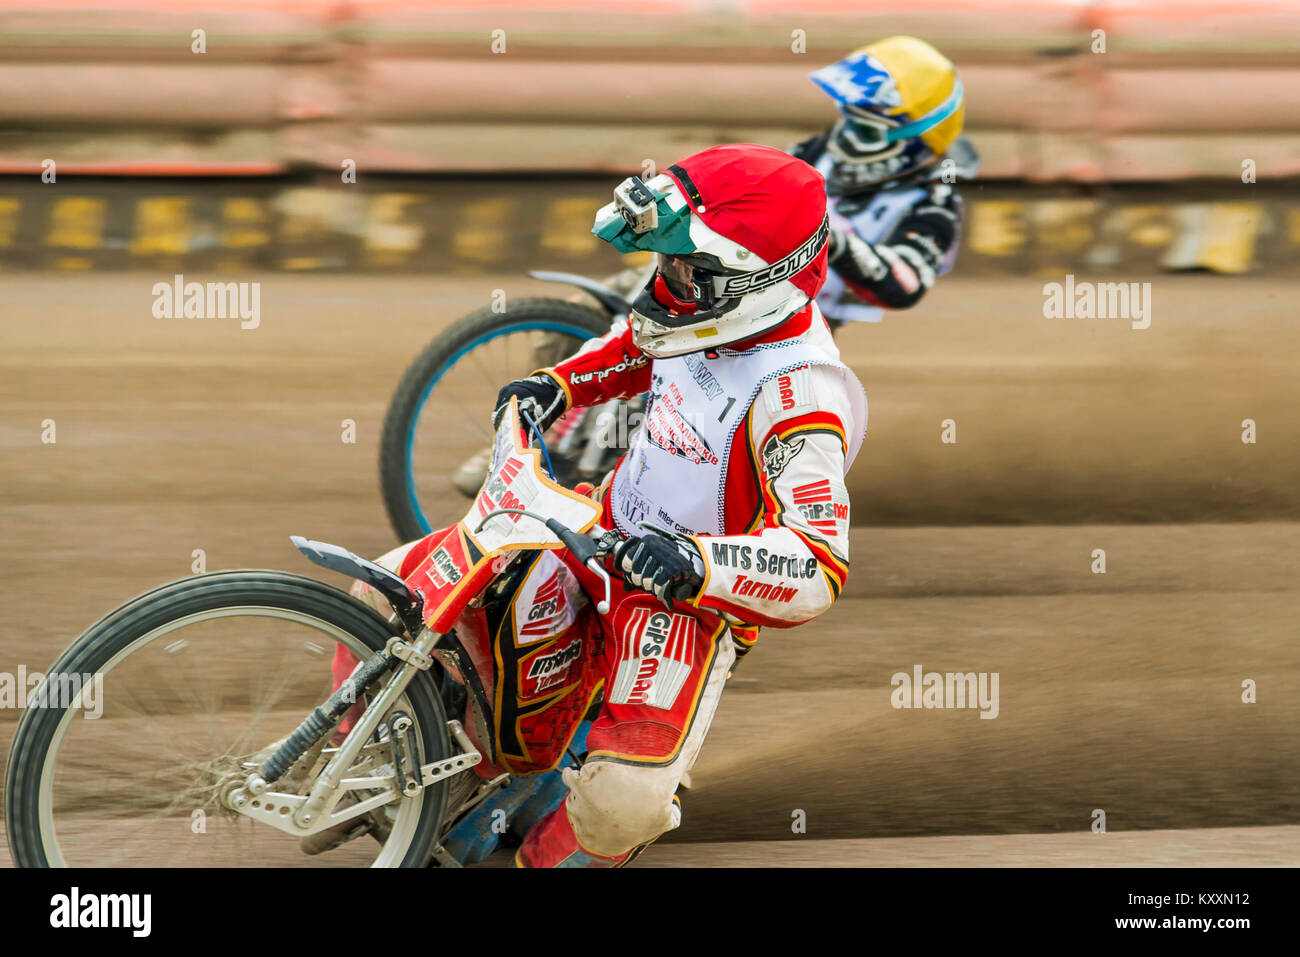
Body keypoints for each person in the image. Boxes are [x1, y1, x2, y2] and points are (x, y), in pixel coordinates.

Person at [485, 142, 866, 865]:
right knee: (407, 603)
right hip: (597, 529)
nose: (664, 285)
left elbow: (818, 563)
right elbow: (643, 340)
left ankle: (577, 826)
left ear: (758, 281)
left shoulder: (800, 395)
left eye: (685, 272)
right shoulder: (709, 312)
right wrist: (560, 384)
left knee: (614, 811)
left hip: (684, 606)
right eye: (663, 264)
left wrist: (694, 562)